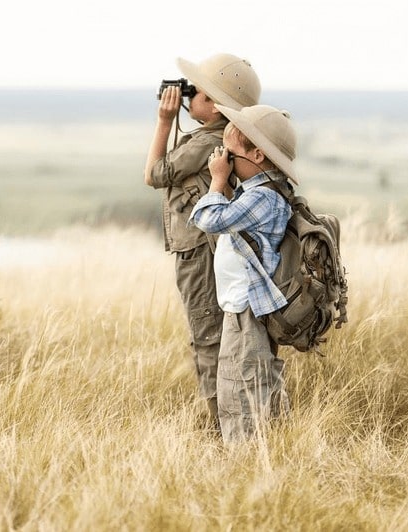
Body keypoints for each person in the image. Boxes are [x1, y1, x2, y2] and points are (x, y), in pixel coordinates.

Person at [144, 54, 261, 430]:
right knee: (215, 335)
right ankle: (229, 419)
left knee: (207, 336)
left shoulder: (207, 140)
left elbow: (155, 174)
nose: (187, 96)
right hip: (206, 249)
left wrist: (164, 120)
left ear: (212, 104)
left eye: (196, 92)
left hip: (198, 252)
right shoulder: (217, 136)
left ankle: (219, 426)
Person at [189, 104, 298, 443]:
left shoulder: (263, 198)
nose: (225, 162)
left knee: (239, 391)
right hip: (246, 306)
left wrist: (218, 180)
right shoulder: (257, 193)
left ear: (258, 155)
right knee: (257, 382)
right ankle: (276, 445)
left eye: (231, 156)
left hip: (246, 309)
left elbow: (207, 219)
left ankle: (244, 460)